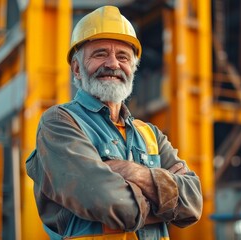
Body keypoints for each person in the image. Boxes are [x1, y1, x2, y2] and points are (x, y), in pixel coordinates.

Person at [26, 5, 203, 240]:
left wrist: (130, 171)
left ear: (132, 68)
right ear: (77, 68)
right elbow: (109, 201)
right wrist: (166, 202)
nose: (113, 64)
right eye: (100, 54)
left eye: (123, 57)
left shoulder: (151, 135)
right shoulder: (60, 122)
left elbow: (192, 203)